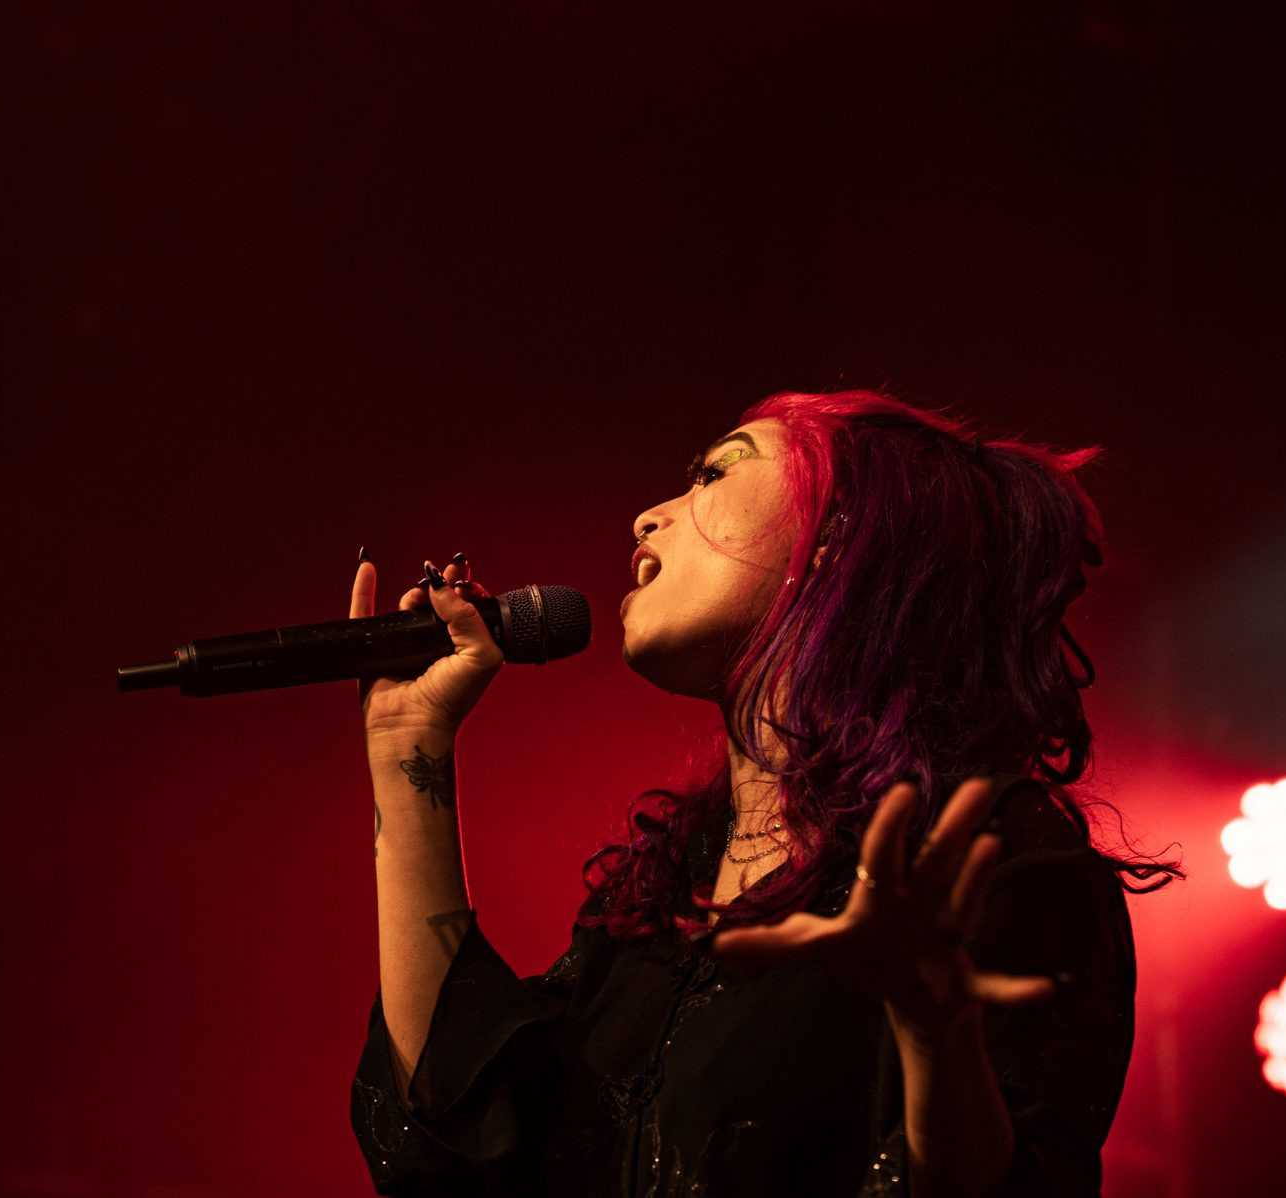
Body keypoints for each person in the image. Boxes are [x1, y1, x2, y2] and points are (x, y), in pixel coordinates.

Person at [348, 389, 1181, 1196]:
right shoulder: (659, 899)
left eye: (715, 473)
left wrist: (937, 1040)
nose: (646, 517)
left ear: (834, 538)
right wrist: (406, 744)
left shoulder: (982, 857)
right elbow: (465, 1128)